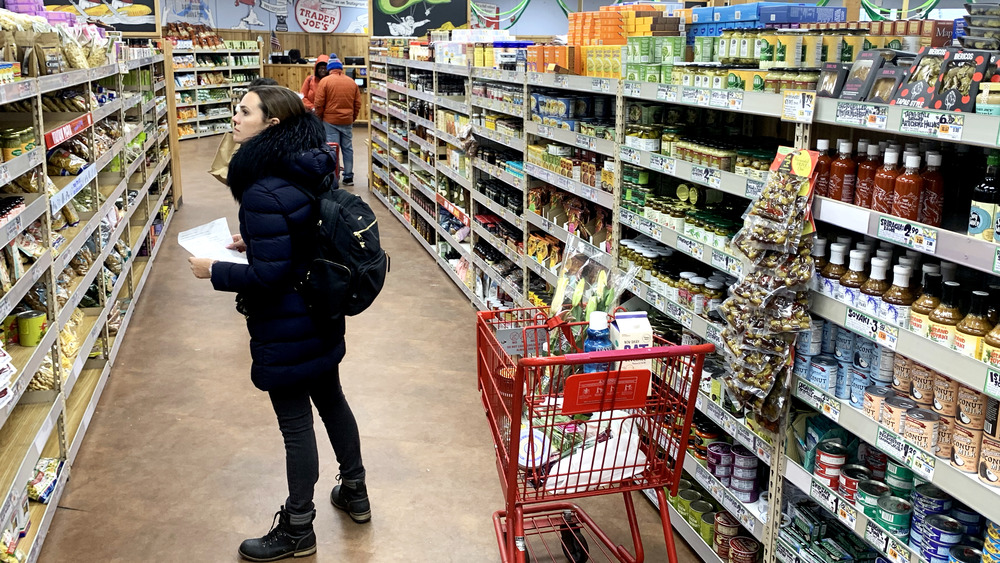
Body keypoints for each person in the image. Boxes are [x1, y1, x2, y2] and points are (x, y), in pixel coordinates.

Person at [188, 86, 370, 562]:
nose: (234, 117)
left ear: (271, 125)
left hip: (286, 322)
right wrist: (257, 242)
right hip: (320, 309)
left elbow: (270, 277)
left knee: (296, 426)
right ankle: (356, 492)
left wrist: (216, 270)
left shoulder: (261, 189)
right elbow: (301, 236)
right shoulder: (306, 166)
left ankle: (297, 528)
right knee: (333, 402)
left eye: (245, 111)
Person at [209, 78, 280, 185]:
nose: (234, 119)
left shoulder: (277, 168)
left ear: (272, 122)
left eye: (245, 112)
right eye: (239, 111)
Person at [312, 59, 360, 186]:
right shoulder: (352, 82)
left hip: (330, 120)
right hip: (347, 120)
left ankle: (333, 178)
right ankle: (348, 177)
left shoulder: (325, 81)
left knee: (332, 149)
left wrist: (319, 118)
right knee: (347, 148)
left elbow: (319, 103)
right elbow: (357, 104)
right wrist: (352, 117)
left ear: (329, 69)